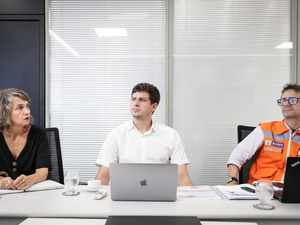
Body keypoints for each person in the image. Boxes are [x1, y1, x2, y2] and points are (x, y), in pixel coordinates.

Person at [95, 83, 193, 186]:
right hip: (125, 199)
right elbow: (103, 176)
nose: (136, 103)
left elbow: (182, 178)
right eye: (133, 99)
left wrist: (197, 199)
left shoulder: (171, 135)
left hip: (161, 199)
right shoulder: (116, 135)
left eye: (142, 100)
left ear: (154, 106)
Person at [227, 83, 300, 185]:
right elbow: (237, 155)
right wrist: (232, 180)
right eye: (283, 101)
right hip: (259, 191)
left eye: (292, 100)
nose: (286, 104)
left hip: (291, 194)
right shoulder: (265, 130)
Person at [0, 88, 51, 190]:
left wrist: (30, 179)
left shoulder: (39, 134)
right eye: (20, 108)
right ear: (5, 112)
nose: (27, 111)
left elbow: (43, 171)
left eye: (27, 106)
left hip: (32, 195)